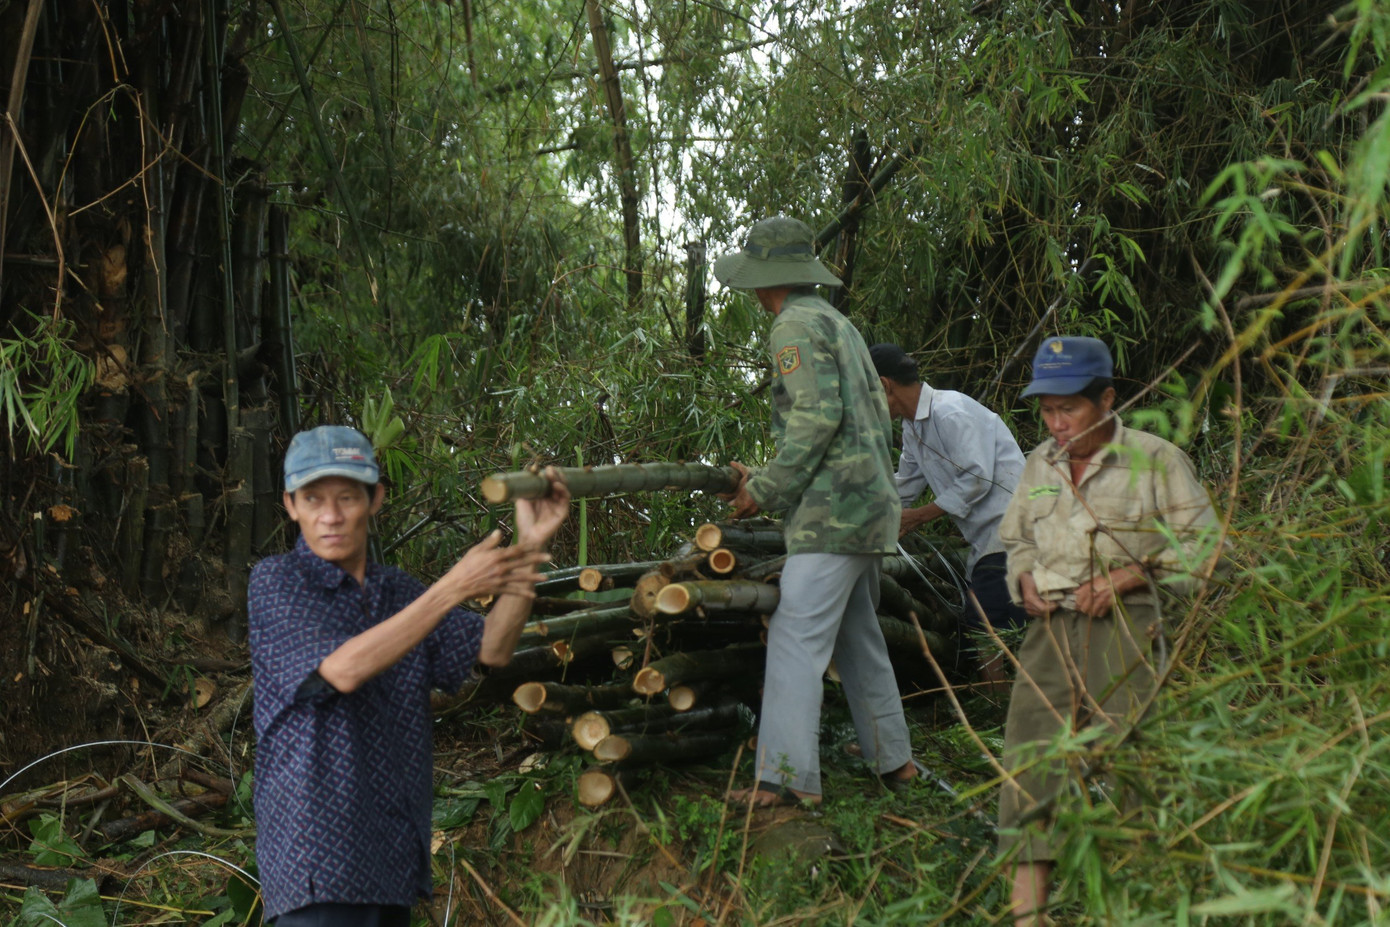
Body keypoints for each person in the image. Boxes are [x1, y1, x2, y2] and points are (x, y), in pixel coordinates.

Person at [248, 425, 569, 926]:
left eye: (347, 498)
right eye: (313, 499)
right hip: (316, 866)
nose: (330, 516)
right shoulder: (277, 583)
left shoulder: (398, 592)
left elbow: (492, 648)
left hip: (393, 859)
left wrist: (530, 545)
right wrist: (451, 588)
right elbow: (342, 670)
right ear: (291, 505)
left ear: (374, 499)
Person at [996, 337, 1217, 925]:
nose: (1056, 422)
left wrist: (1127, 577)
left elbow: (1204, 550)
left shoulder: (1157, 460)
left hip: (1130, 626)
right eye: (1045, 409)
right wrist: (1023, 579)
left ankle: (1136, 905)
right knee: (1029, 764)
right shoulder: (1038, 463)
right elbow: (1016, 540)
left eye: (1068, 408)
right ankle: (1028, 917)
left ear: (1108, 399)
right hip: (1049, 632)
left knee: (1135, 765)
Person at [712, 215, 921, 806]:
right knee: (858, 636)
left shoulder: (792, 327)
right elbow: (854, 420)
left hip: (833, 516)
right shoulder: (837, 323)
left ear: (765, 280)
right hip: (866, 504)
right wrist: (771, 475)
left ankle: (781, 778)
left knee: (796, 634)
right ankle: (894, 761)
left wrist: (767, 489)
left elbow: (815, 418)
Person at [869, 342, 1029, 688]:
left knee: (984, 626)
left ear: (884, 385)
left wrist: (919, 516)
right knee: (985, 624)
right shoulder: (913, 428)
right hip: (988, 538)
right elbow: (904, 487)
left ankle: (998, 712)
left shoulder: (950, 411)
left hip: (1015, 528)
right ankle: (1003, 709)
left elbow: (977, 477)